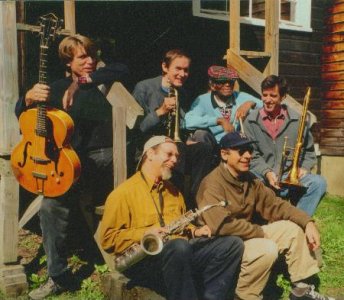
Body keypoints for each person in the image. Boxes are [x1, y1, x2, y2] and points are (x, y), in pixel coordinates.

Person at [15, 34, 129, 299]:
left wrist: (82, 82)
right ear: (68, 62)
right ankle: (59, 276)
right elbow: (25, 116)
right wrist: (28, 99)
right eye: (82, 58)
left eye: (92, 56)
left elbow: (123, 68)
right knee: (49, 206)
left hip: (107, 159)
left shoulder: (103, 80)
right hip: (71, 163)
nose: (90, 61)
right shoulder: (55, 88)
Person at [99, 135, 244, 300]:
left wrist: (195, 232)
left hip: (178, 255)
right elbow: (108, 239)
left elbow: (180, 224)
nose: (174, 160)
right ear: (150, 154)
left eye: (176, 156)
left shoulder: (174, 191)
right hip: (142, 262)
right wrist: (145, 233)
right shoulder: (123, 193)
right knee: (179, 247)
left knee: (232, 244)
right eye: (169, 154)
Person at [196, 131, 337, 300]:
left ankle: (302, 290)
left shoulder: (250, 180)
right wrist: (260, 233)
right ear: (224, 154)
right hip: (224, 245)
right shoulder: (212, 184)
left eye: (249, 150)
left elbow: (276, 205)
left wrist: (307, 222)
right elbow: (222, 225)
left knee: (291, 229)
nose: (248, 155)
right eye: (241, 151)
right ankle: (244, 296)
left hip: (247, 236)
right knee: (266, 248)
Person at [132, 49, 213, 209]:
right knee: (175, 155)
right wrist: (161, 111)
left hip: (176, 143)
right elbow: (137, 128)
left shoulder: (183, 92)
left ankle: (194, 202)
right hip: (149, 146)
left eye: (186, 70)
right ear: (164, 67)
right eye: (178, 69)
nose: (183, 74)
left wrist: (188, 137)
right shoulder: (144, 88)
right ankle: (175, 205)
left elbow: (183, 123)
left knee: (204, 149)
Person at [243, 75, 326, 216]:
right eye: (265, 95)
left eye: (273, 96)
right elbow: (251, 154)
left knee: (319, 183)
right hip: (264, 177)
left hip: (290, 176)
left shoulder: (297, 119)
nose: (267, 100)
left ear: (283, 97)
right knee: (245, 180)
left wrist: (304, 167)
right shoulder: (250, 121)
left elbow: (309, 151)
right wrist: (267, 172)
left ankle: (298, 219)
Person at [184, 65, 262, 151]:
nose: (228, 84)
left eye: (231, 81)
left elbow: (265, 106)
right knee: (200, 134)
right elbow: (188, 121)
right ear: (212, 85)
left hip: (237, 144)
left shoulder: (240, 96)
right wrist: (218, 120)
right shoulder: (203, 100)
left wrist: (250, 103)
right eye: (222, 82)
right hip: (214, 146)